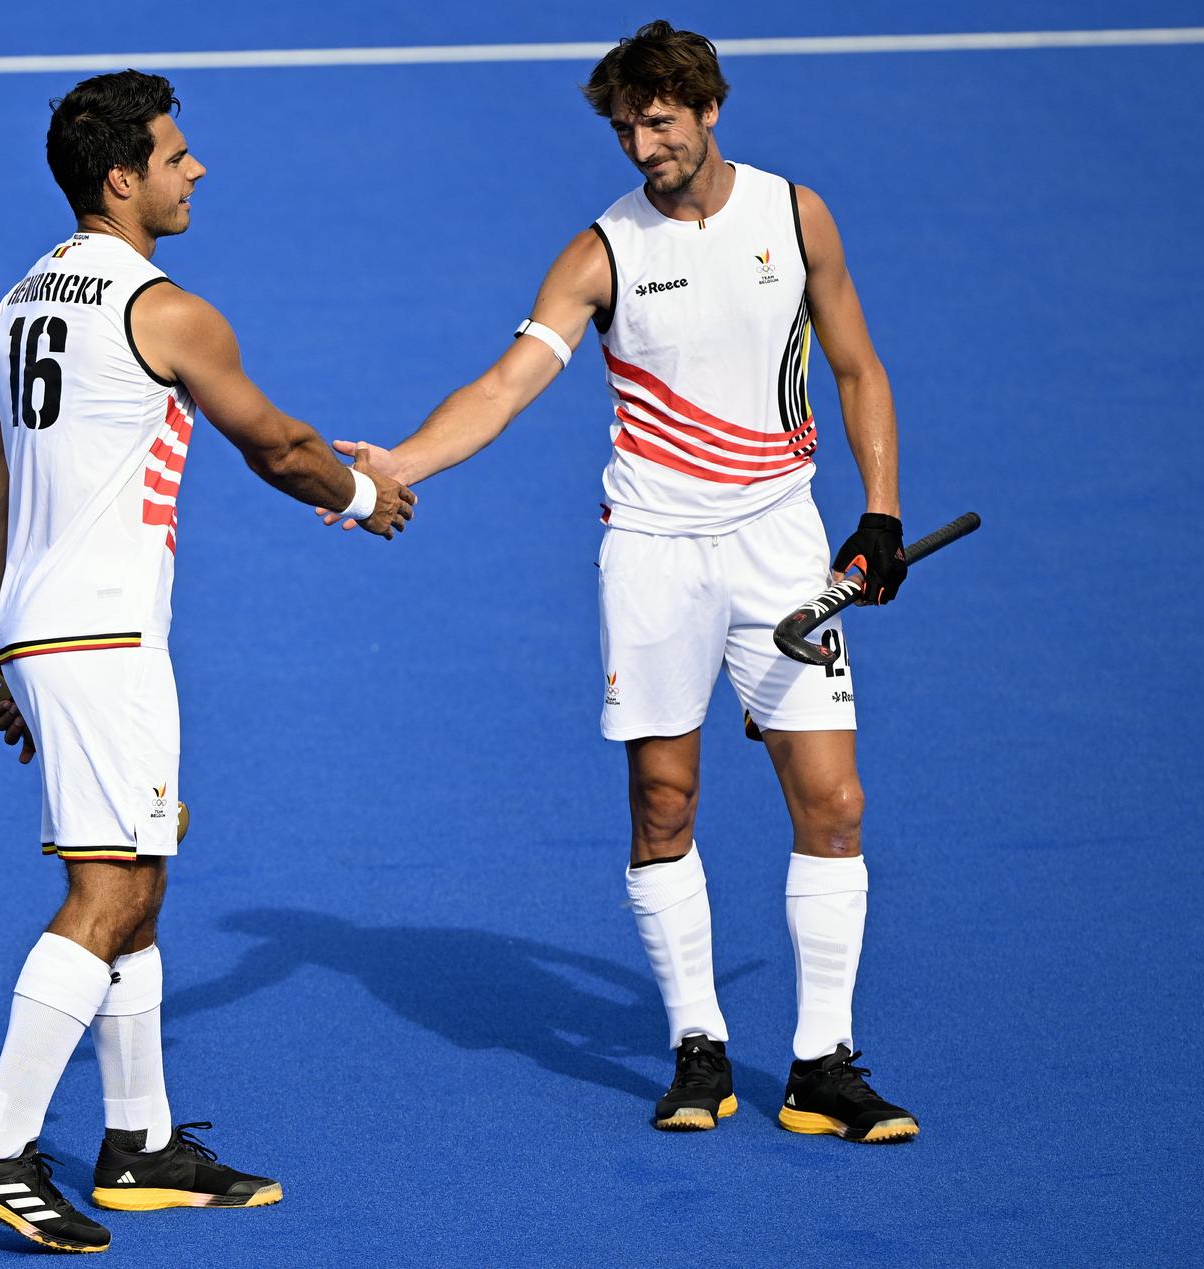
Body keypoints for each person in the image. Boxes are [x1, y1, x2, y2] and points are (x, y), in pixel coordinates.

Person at [322, 20, 918, 1143]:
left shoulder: (797, 218)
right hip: (653, 553)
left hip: (781, 545)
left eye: (660, 122)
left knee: (834, 804)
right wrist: (401, 460)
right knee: (664, 802)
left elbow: (856, 364)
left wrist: (878, 511)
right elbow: (504, 387)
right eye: (628, 129)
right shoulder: (600, 253)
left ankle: (823, 1064)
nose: (645, 146)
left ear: (708, 110)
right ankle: (698, 1046)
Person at [0, 70, 415, 1254]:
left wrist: (6, 648)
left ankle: (138, 1144)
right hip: (102, 636)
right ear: (121, 179)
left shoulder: (13, 306)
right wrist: (363, 493)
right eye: (177, 155)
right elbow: (277, 443)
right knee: (107, 895)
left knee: (142, 883)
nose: (195, 171)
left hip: (55, 628)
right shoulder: (167, 310)